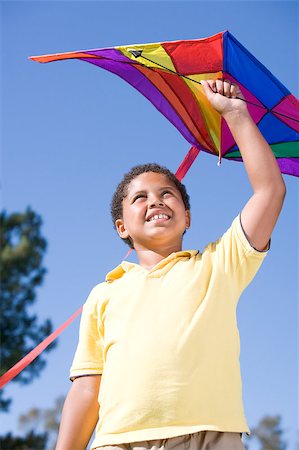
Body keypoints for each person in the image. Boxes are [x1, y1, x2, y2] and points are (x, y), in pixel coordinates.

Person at [55, 79, 286, 450]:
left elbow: (270, 191)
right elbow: (85, 390)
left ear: (188, 217)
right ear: (122, 227)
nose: (157, 201)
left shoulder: (218, 265)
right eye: (140, 197)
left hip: (210, 436)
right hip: (120, 443)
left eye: (168, 194)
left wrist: (236, 113)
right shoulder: (104, 294)